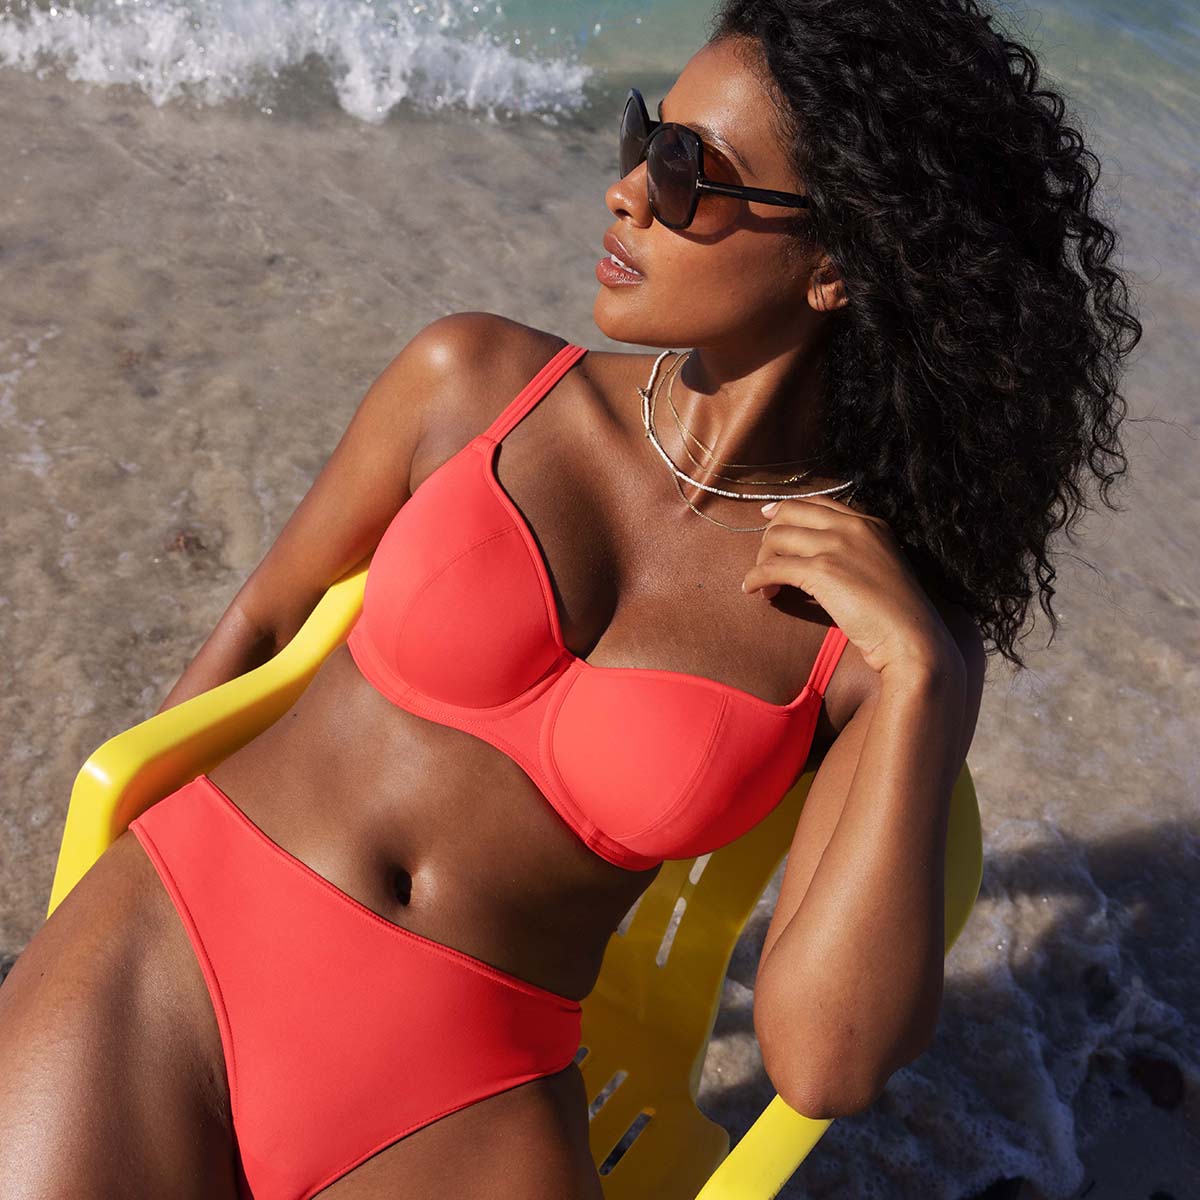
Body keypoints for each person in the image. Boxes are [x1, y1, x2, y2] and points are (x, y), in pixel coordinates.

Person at [0, 0, 1140, 1195]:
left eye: (689, 168)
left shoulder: (872, 634)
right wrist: (103, 870)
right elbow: (266, 622)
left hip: (460, 1088)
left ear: (835, 267)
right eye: (647, 135)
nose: (630, 190)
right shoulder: (473, 381)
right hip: (185, 933)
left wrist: (921, 681)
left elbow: (825, 1065)